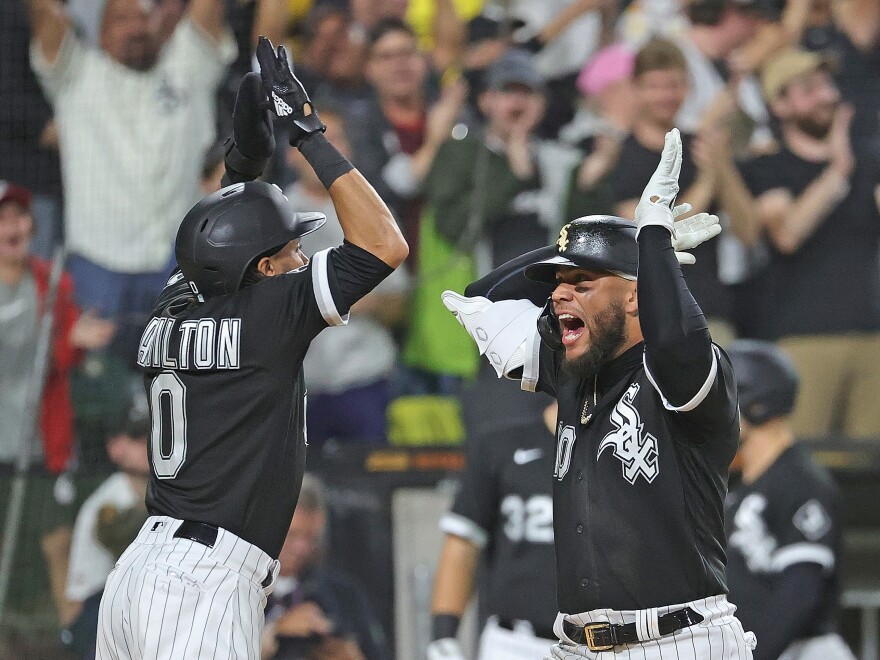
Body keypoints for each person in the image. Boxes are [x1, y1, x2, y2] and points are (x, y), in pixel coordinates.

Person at [94, 38, 408, 659]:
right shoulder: (272, 312)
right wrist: (307, 134)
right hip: (203, 584)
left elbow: (218, 241)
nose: (300, 257)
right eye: (290, 250)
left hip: (138, 574)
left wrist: (245, 155)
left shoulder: (174, 302)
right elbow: (384, 246)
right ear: (264, 267)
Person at [442, 130, 756, 658]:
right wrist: (583, 248)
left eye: (582, 281)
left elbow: (678, 340)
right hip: (574, 645)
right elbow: (480, 301)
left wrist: (651, 243)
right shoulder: (570, 371)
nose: (559, 293)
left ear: (636, 298)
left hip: (678, 641)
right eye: (558, 282)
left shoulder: (681, 370)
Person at [28, 0, 237, 355]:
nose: (137, 27)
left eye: (145, 15)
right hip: (98, 266)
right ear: (100, 31)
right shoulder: (75, 74)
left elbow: (209, 9)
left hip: (181, 261)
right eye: (121, 19)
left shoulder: (189, 65)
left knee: (185, 381)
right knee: (100, 394)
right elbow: (45, 12)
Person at [738, 48, 880, 437]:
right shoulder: (767, 168)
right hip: (804, 338)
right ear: (780, 105)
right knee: (804, 458)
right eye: (808, 89)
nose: (826, 95)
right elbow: (786, 234)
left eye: (826, 85)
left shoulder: (869, 165)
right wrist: (838, 172)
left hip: (871, 336)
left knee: (870, 479)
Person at [0, 180, 114, 626]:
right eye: (3, 218)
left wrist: (76, 341)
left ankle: (65, 638)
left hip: (36, 441)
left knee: (56, 540)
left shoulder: (51, 281)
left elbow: (65, 351)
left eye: (20, 216)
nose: (13, 225)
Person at [611, 37, 759, 345]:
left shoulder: (703, 148)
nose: (666, 95)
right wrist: (708, 178)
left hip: (709, 313)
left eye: (675, 84)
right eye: (655, 86)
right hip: (649, 317)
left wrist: (723, 168)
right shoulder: (623, 157)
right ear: (636, 88)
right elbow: (662, 233)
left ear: (688, 86)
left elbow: (749, 233)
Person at [284, 106, 409, 446]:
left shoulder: (373, 210)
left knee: (371, 487)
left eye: (333, 137)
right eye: (314, 138)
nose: (324, 146)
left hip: (364, 374)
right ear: (290, 153)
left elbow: (399, 306)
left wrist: (343, 296)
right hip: (298, 380)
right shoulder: (276, 215)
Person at [725, 340, 855, 660]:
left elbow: (800, 593)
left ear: (753, 403)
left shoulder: (802, 482)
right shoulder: (744, 486)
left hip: (805, 651)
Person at [428, 402, 558, 660]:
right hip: (516, 644)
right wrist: (443, 635)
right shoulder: (500, 445)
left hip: (608, 642)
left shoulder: (625, 448)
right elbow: (463, 544)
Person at [262, 474, 390, 660]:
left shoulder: (343, 595)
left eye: (311, 538)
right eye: (291, 535)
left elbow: (377, 652)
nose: (302, 549)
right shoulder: (237, 589)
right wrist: (275, 631)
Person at [63, 397, 151, 659]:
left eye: (153, 434)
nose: (148, 443)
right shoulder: (108, 501)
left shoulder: (169, 493)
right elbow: (78, 600)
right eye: (137, 437)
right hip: (102, 610)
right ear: (115, 446)